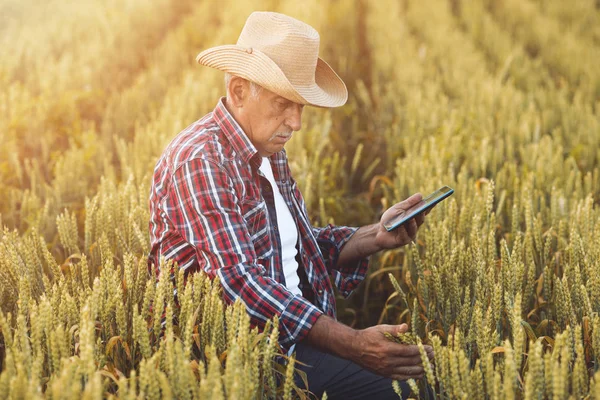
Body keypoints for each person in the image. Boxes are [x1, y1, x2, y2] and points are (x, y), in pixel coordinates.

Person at [148, 11, 434, 399]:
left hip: (295, 337)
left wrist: (374, 236)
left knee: (436, 370)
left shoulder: (266, 148)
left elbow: (295, 247)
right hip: (250, 360)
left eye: (301, 106)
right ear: (238, 91)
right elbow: (240, 283)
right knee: (418, 390)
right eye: (284, 103)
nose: (296, 122)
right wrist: (354, 344)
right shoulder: (201, 160)